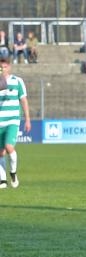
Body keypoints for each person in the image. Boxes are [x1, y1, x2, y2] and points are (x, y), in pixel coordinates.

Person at [0, 58, 30, 189]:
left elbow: (23, 100)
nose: (3, 69)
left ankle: (13, 173)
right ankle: (3, 180)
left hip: (12, 120)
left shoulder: (17, 81)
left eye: (5, 67)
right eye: (1, 67)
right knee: (0, 152)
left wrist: (27, 119)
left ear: (9, 67)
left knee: (8, 147)